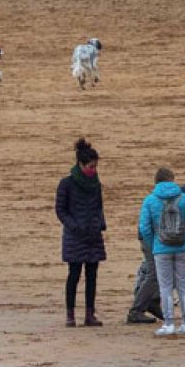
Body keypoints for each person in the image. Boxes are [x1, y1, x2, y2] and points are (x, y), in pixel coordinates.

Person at [127, 176, 185, 324]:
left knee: (160, 272)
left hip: (158, 237)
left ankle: (153, 302)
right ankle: (136, 311)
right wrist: (180, 243)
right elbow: (184, 225)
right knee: (155, 273)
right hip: (153, 236)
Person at [139, 169, 185, 337]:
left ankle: (168, 324)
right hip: (182, 248)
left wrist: (155, 244)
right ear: (172, 180)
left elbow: (144, 228)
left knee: (165, 287)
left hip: (161, 249)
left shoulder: (150, 200)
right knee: (183, 285)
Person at [55, 138, 106, 328]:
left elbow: (99, 206)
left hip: (93, 235)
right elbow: (60, 210)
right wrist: (74, 226)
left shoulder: (96, 184)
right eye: (90, 167)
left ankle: (89, 314)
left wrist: (100, 223)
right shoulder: (66, 184)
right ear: (80, 164)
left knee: (92, 276)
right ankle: (70, 314)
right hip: (74, 236)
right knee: (74, 275)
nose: (93, 170)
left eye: (95, 167)